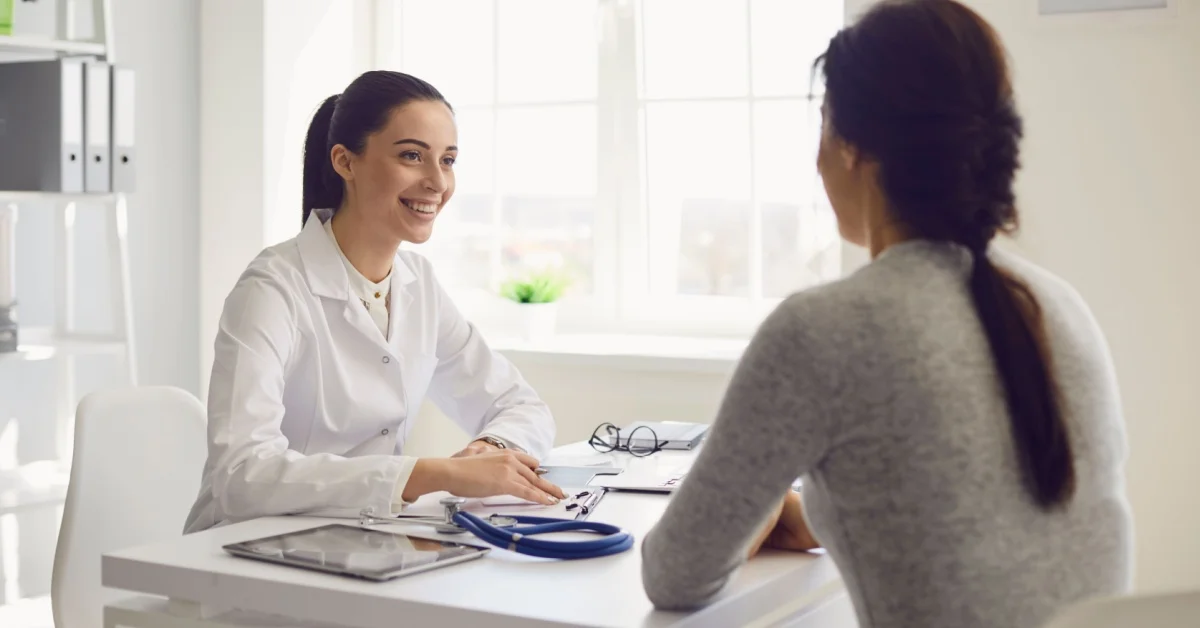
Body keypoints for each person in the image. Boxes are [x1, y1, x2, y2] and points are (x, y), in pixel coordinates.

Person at [640, 1, 1133, 627]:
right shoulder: (1057, 306)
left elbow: (675, 575)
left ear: (851, 147)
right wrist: (821, 515)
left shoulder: (823, 330)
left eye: (823, 125)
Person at [184, 71, 565, 534]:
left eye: (448, 160)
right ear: (345, 162)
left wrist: (488, 450)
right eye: (412, 156)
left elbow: (522, 405)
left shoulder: (418, 284)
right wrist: (432, 474)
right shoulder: (272, 288)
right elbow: (243, 476)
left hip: (360, 539)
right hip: (239, 548)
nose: (437, 181)